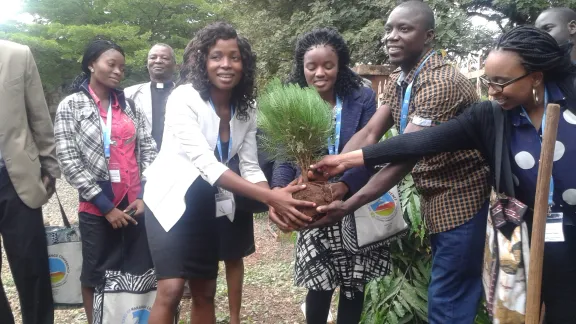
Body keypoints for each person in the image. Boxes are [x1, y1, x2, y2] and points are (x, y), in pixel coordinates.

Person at [312, 25, 576, 324]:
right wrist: (345, 161)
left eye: (502, 82)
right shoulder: (491, 117)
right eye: (489, 80)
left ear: (536, 77)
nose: (492, 91)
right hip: (527, 234)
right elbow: (419, 141)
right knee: (535, 310)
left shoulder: (571, 102)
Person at [298, 2, 491, 323]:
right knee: (445, 292)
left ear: (428, 36)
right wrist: (333, 173)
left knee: (448, 297)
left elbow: (405, 153)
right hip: (434, 193)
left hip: (460, 200)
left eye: (404, 29)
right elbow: (372, 131)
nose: (392, 37)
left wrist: (350, 202)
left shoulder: (439, 81)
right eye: (389, 29)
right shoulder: (400, 77)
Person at [143, 22, 315, 324]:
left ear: (244, 63)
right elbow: (206, 163)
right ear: (203, 61)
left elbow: (249, 164)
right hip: (168, 202)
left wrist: (273, 197)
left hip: (205, 205)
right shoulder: (183, 98)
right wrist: (272, 198)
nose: (226, 64)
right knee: (170, 289)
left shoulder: (247, 107)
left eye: (234, 57)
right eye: (216, 56)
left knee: (205, 290)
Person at [269, 27, 389, 324]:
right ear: (302, 67)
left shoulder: (361, 98)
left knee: (353, 286)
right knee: (318, 284)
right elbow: (284, 157)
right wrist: (279, 193)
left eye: (328, 65)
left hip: (353, 203)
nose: (319, 72)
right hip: (313, 206)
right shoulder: (292, 101)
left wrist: (344, 186)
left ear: (340, 65)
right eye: (311, 66)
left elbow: (368, 152)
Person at [54, 38, 157, 324]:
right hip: (97, 208)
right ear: (91, 64)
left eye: (122, 67)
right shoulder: (71, 106)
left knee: (137, 271)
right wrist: (105, 206)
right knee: (96, 274)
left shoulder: (129, 105)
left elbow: (148, 148)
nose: (118, 72)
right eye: (111, 64)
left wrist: (144, 195)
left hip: (135, 204)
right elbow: (68, 160)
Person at [0, 40, 60, 324]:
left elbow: (38, 114)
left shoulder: (16, 54)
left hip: (14, 178)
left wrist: (50, 164)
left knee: (31, 264)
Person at [124, 43, 176, 149]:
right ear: (147, 64)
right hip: (141, 158)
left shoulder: (185, 94)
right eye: (153, 57)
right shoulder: (130, 93)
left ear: (174, 64)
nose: (158, 61)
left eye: (165, 58)